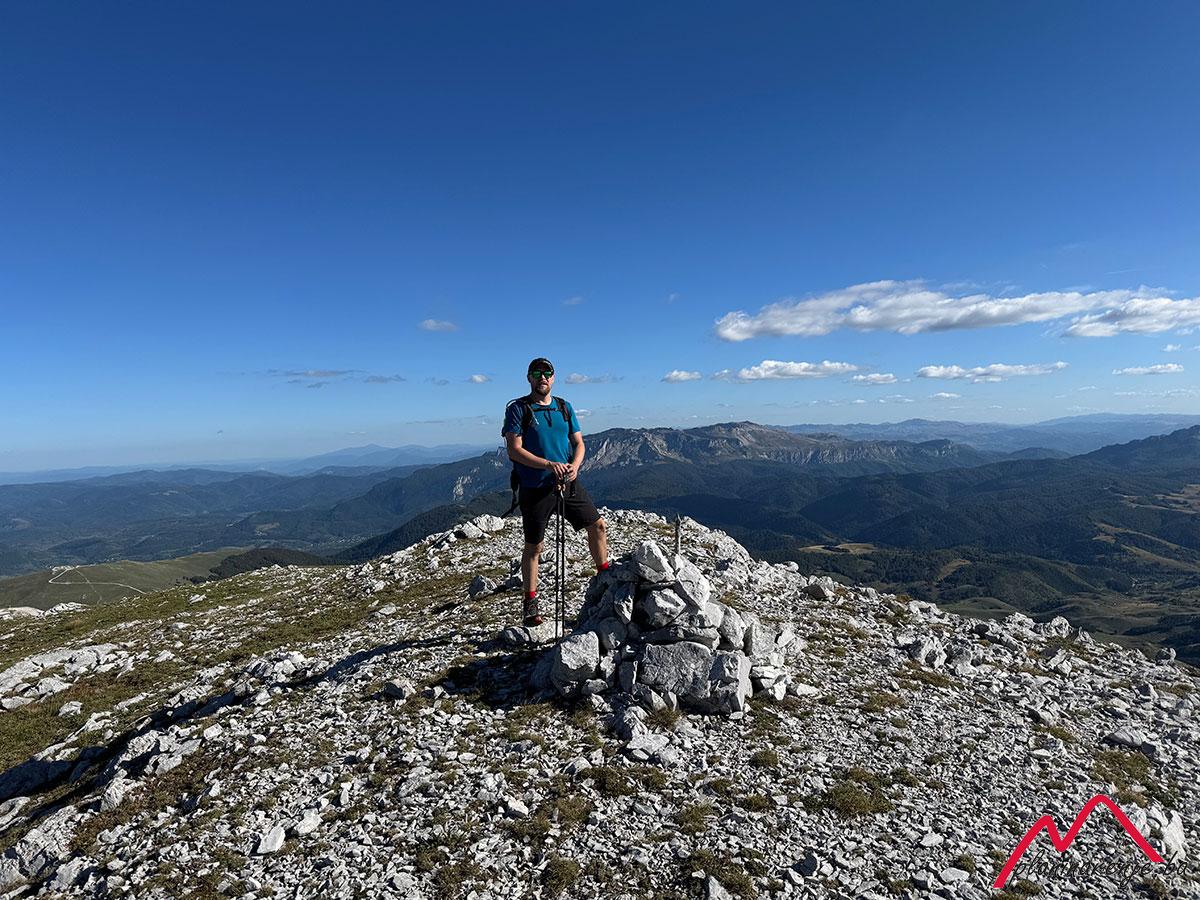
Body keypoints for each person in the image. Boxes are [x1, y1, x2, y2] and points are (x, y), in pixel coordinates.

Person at [502, 357, 609, 626]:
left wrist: (575, 466)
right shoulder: (519, 409)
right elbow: (514, 450)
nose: (543, 377)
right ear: (529, 378)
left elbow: (579, 443)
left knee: (598, 526)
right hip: (535, 487)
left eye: (547, 373)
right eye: (537, 373)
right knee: (534, 546)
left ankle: (605, 578)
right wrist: (549, 464)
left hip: (567, 482)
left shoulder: (564, 407)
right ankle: (530, 604)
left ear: (553, 377)